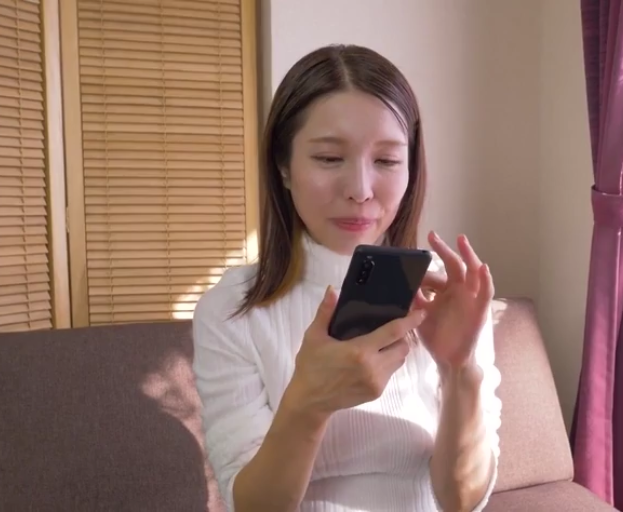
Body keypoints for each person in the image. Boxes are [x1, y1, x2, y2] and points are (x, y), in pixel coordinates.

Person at [192, 44, 502, 512]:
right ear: (283, 167)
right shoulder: (232, 308)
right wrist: (309, 402)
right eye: (329, 158)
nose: (359, 190)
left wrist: (460, 368)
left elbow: (462, 500)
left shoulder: (448, 297)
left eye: (387, 161)